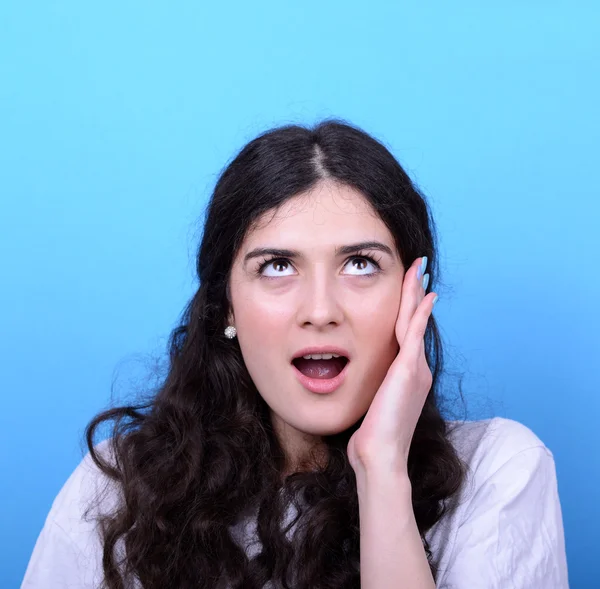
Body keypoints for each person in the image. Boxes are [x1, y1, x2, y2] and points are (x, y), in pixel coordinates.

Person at [21, 119, 569, 588]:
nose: (320, 309)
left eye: (360, 263)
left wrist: (381, 472)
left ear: (413, 295)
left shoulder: (500, 472)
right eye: (277, 266)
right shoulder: (115, 489)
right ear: (227, 307)